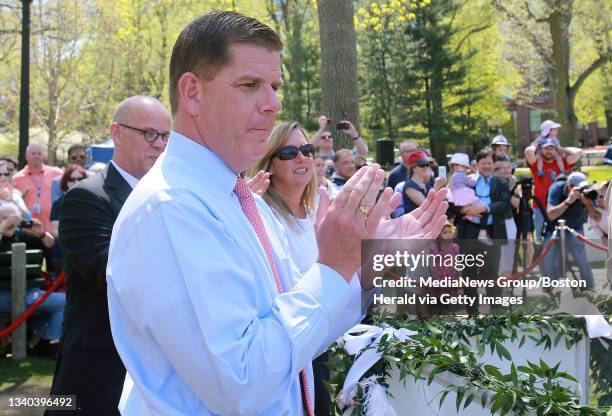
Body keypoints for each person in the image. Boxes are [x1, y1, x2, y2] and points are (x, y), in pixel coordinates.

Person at [105, 11, 448, 415]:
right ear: (192, 92)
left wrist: (364, 266)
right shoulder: (173, 208)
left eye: (274, 86)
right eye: (249, 85)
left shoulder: (233, 197)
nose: (273, 103)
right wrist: (335, 265)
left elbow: (298, 337)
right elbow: (243, 382)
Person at [46, 96, 170, 416]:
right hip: (99, 367)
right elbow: (111, 276)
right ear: (116, 132)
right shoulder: (86, 197)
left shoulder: (174, 198)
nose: (158, 144)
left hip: (161, 367)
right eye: (149, 134)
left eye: (166, 136)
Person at [250, 121, 364, 415]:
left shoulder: (320, 210)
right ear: (270, 164)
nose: (302, 158)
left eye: (307, 150)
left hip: (327, 342)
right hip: (290, 352)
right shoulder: (262, 217)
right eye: (289, 152)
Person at [450, 147, 510, 314]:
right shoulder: (464, 180)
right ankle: (472, 314)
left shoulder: (500, 183)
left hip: (491, 234)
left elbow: (504, 204)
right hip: (468, 234)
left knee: (492, 275)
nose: (487, 166)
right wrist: (464, 211)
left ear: (493, 164)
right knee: (469, 275)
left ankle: (496, 313)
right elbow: (452, 203)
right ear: (476, 165)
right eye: (483, 163)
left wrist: (485, 208)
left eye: (489, 163)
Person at [0, 204, 61, 356]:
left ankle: (46, 342)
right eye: (5, 218)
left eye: (13, 218)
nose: (10, 222)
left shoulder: (23, 235)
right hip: (2, 297)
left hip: (30, 294)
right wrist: (2, 229)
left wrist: (41, 234)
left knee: (64, 302)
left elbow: (50, 244)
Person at [540, 172, 600, 289]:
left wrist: (588, 204)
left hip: (575, 230)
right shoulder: (556, 188)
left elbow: (596, 217)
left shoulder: (587, 192)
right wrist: (569, 201)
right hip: (554, 229)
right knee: (549, 264)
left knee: (583, 263)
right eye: (578, 188)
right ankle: (552, 293)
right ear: (569, 186)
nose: (582, 190)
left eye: (583, 187)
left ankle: (590, 292)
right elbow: (550, 215)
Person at [524, 122, 582, 242]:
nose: (549, 151)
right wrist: (536, 143)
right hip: (540, 207)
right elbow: (528, 151)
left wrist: (561, 148)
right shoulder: (537, 164)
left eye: (551, 148)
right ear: (541, 149)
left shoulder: (561, 162)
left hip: (557, 206)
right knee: (540, 238)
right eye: (546, 148)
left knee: (560, 238)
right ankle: (541, 258)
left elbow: (578, 152)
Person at [11, 144, 63, 233]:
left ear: (43, 156)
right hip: (27, 230)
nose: (36, 156)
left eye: (39, 154)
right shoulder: (17, 178)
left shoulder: (57, 173)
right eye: (33, 153)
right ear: (26, 157)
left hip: (53, 229)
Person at [446, 153, 489, 241]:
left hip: (459, 203)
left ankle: (472, 219)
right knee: (482, 208)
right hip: (464, 221)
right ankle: (483, 231)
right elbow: (472, 183)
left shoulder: (453, 177)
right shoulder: (463, 176)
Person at [403, 150, 446, 215]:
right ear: (413, 168)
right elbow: (427, 207)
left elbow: (441, 202)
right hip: (415, 223)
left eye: (428, 164)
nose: (426, 167)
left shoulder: (427, 182)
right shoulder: (409, 186)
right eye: (422, 165)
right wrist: (437, 187)